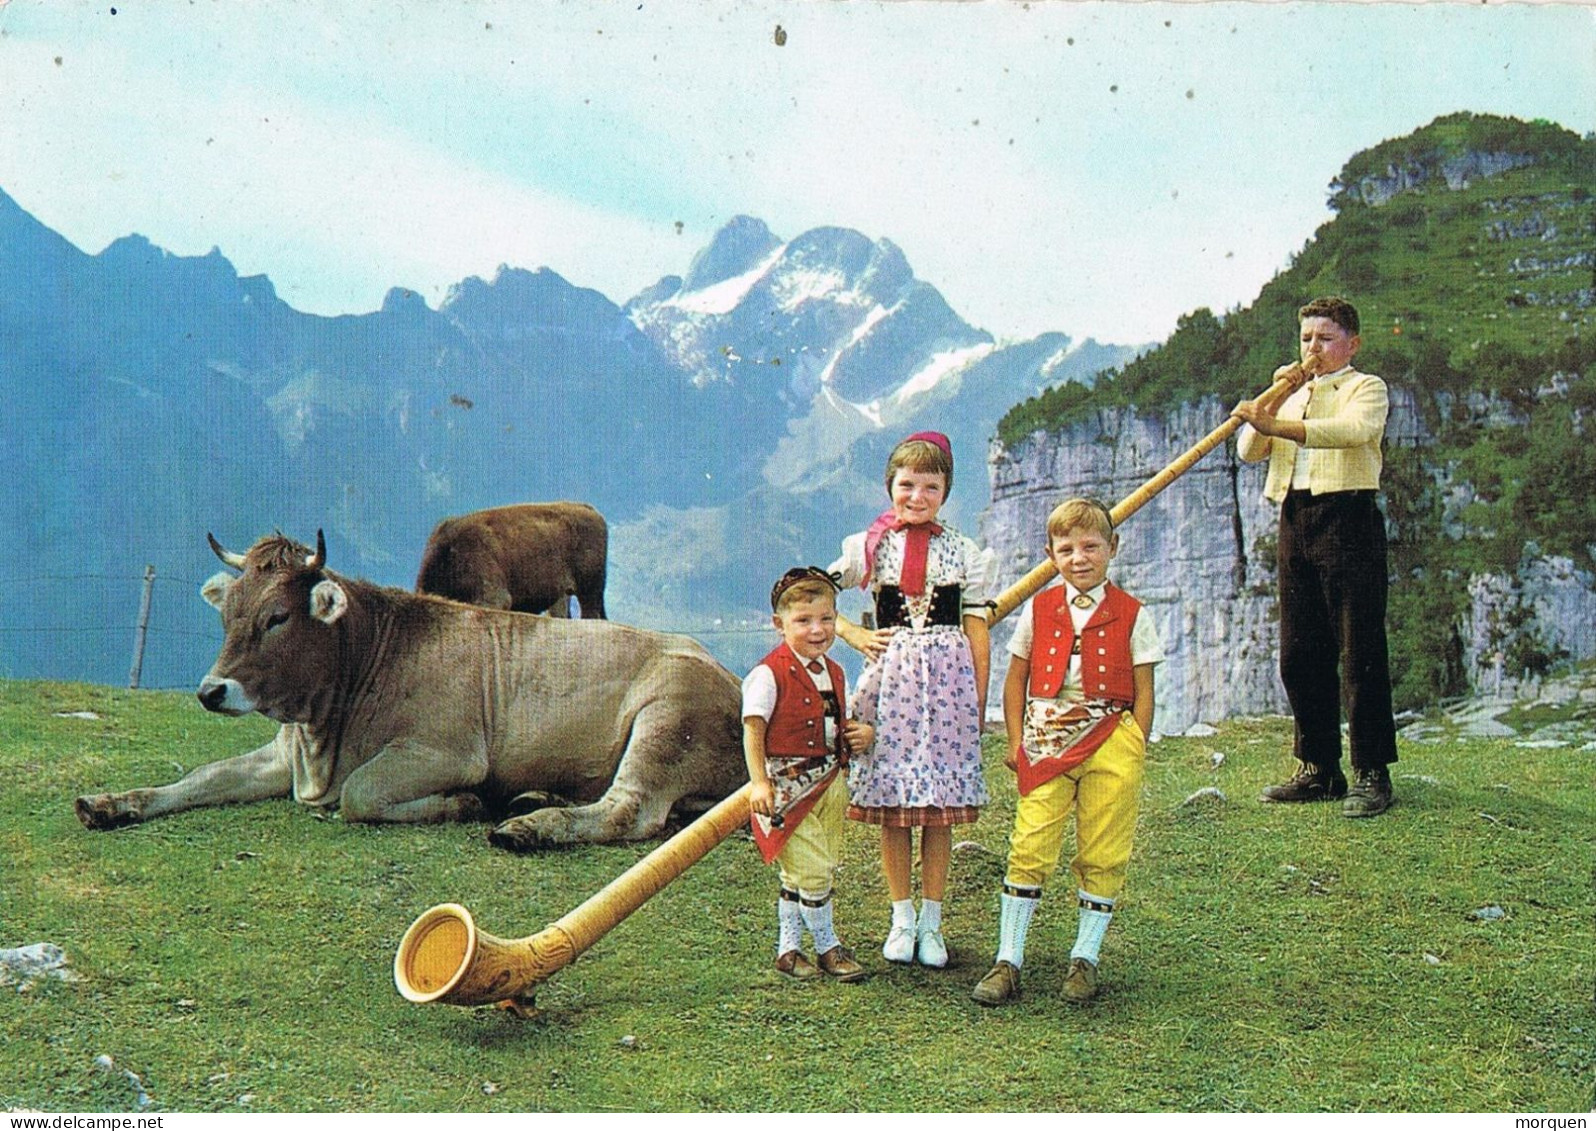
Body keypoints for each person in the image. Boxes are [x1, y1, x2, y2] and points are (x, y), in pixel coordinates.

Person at [970, 498, 1163, 1006]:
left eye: (1091, 546)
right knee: (1030, 843)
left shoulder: (1134, 614)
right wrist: (1016, 740)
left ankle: (1085, 958)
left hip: (1111, 739)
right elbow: (1017, 679)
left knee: (1103, 846)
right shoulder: (1038, 610)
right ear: (1050, 554)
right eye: (1067, 549)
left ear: (1112, 549)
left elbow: (1144, 688)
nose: (1080, 558)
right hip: (1046, 738)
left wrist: (1133, 743)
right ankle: (1008, 959)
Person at [831, 431, 994, 969]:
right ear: (890, 487)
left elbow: (977, 633)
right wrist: (854, 636)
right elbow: (812, 594)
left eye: (930, 485)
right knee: (896, 811)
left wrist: (978, 702)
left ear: (946, 490)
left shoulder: (964, 552)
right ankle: (900, 919)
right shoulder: (869, 546)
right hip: (893, 685)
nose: (917, 496)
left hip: (948, 691)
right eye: (907, 485)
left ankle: (932, 923)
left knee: (938, 814)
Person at [1231, 296, 1398, 818]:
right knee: (1299, 651)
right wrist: (1275, 399)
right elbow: (1247, 450)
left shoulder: (1365, 388)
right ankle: (1319, 768)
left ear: (1351, 344)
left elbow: (1353, 433)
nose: (1313, 349)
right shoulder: (1291, 394)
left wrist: (1279, 423)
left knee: (1359, 650)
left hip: (1349, 517)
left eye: (1325, 339)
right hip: (1295, 518)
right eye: (1306, 339)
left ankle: (1373, 773)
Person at [743, 566, 874, 982]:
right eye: (803, 621)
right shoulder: (768, 673)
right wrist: (760, 782)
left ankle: (788, 950)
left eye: (826, 619)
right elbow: (753, 728)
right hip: (785, 789)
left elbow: (837, 721)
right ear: (779, 624)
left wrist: (860, 733)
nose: (817, 630)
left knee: (809, 870)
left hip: (829, 782)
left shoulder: (834, 671)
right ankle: (828, 947)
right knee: (813, 871)